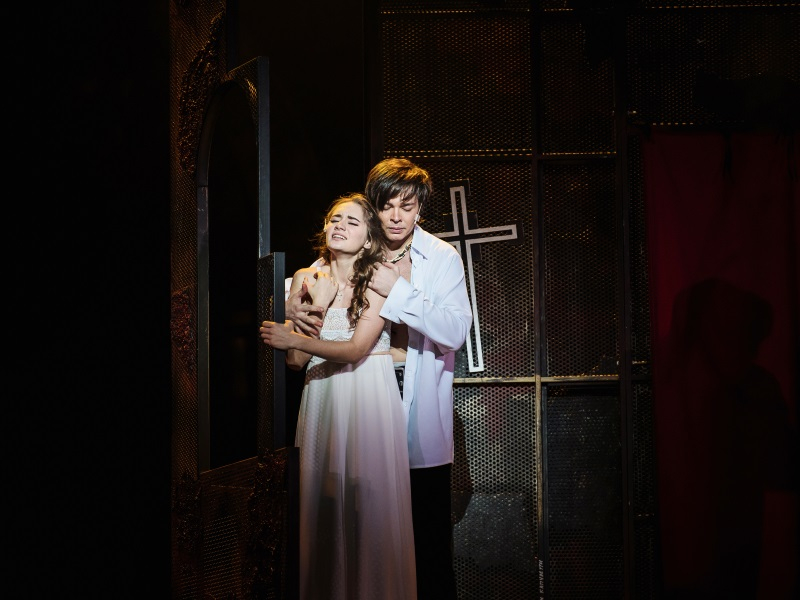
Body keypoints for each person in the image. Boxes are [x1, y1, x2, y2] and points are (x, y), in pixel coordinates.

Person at [288, 159, 472, 599]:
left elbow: (454, 332)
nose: (396, 217)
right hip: (359, 401)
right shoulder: (347, 250)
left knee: (425, 544)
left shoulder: (440, 257)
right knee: (358, 528)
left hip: (415, 401)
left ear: (420, 208)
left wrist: (398, 290)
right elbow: (309, 294)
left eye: (406, 207)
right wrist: (294, 301)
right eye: (387, 206)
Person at [260, 193, 417, 600]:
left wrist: (293, 337)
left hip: (366, 393)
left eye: (352, 221)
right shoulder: (307, 277)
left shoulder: (380, 278)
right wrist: (315, 306)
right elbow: (296, 361)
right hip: (322, 395)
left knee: (369, 503)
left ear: (369, 237)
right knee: (323, 500)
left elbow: (355, 349)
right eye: (334, 219)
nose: (340, 226)